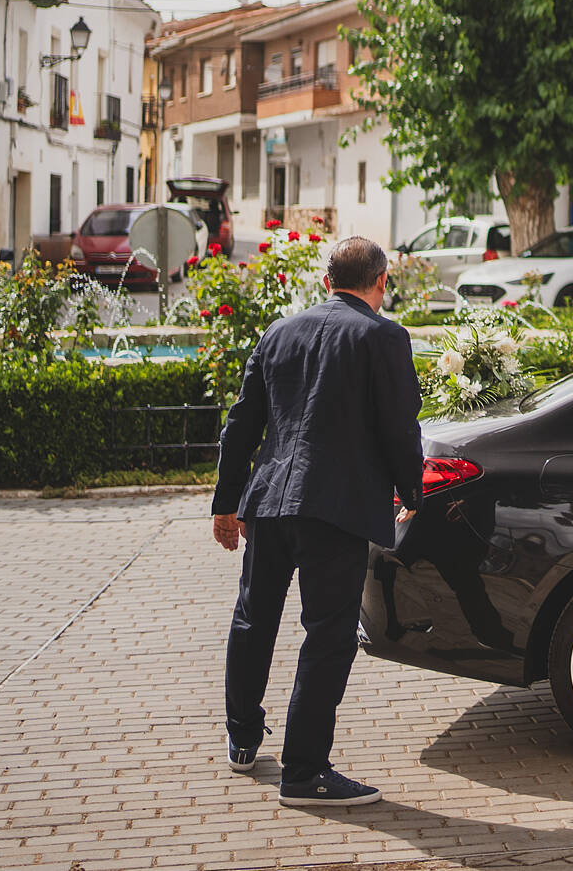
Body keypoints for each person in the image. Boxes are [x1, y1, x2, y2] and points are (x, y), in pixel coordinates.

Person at [212, 236, 424, 807]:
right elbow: (400, 427)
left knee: (254, 619)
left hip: (270, 504)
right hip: (337, 507)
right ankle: (304, 773)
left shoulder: (278, 332)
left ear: (327, 279)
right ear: (380, 282)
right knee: (328, 637)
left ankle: (241, 738)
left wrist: (225, 503)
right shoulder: (384, 336)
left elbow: (242, 422)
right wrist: (412, 492)